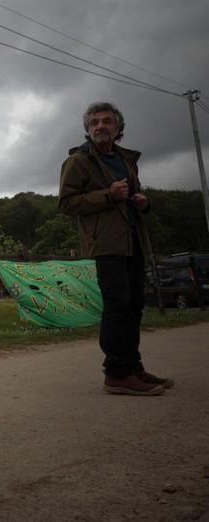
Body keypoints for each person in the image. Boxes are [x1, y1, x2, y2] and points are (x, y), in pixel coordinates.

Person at [59, 101, 173, 396]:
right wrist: (107, 196)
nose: (101, 126)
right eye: (94, 122)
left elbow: (133, 194)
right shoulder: (79, 161)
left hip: (133, 239)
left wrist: (143, 203)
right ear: (87, 129)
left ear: (118, 127)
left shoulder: (125, 159)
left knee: (135, 304)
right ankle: (117, 373)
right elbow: (67, 204)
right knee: (118, 305)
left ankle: (134, 367)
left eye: (107, 121)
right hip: (106, 243)